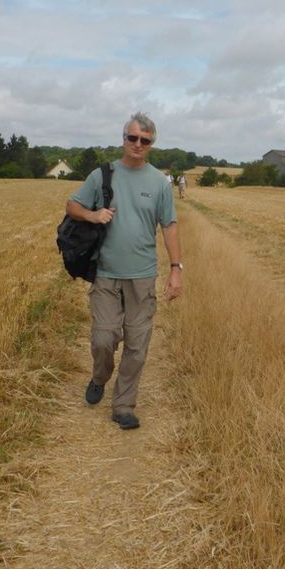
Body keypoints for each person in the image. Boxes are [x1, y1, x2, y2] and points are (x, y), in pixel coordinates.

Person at [66, 112, 183, 430]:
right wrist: (93, 216)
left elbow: (169, 226)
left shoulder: (159, 182)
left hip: (143, 275)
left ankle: (123, 406)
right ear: (124, 139)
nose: (138, 144)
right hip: (105, 272)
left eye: (145, 140)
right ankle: (99, 376)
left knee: (137, 344)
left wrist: (175, 269)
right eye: (133, 138)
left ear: (151, 144)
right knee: (104, 338)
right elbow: (72, 206)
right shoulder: (102, 175)